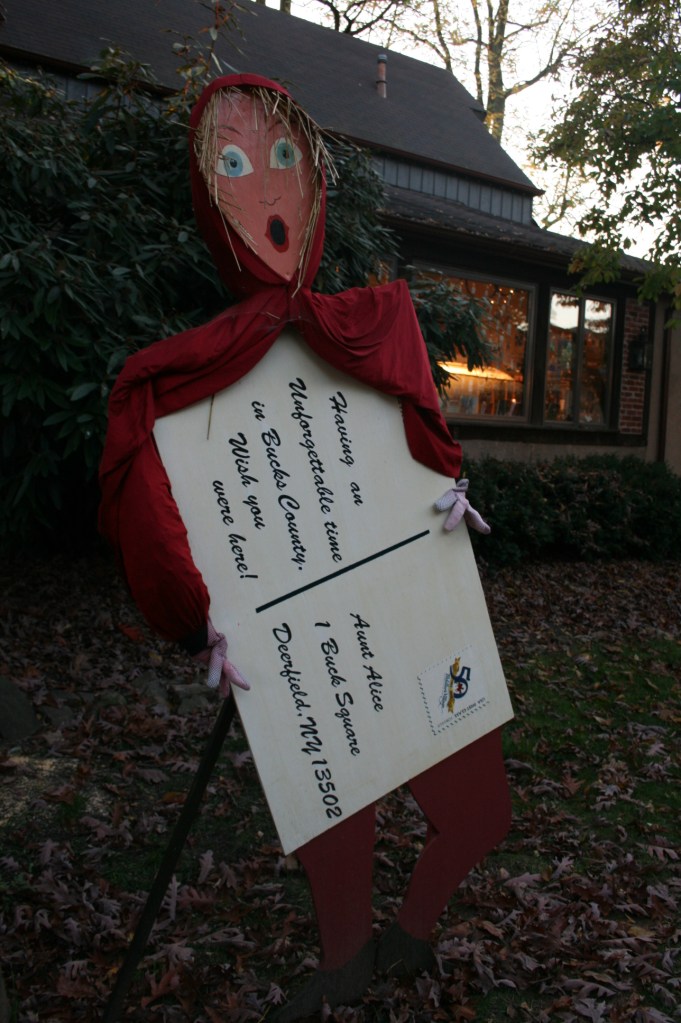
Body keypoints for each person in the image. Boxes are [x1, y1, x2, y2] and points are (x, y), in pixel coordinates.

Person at [99, 74, 511, 1021]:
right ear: (210, 194)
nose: (267, 190)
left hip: (406, 595)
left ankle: (412, 925)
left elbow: (424, 435)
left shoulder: (371, 327)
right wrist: (195, 610)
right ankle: (348, 954)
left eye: (283, 157)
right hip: (302, 639)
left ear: (314, 178)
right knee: (331, 778)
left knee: (477, 803)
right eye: (233, 164)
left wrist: (442, 487)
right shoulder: (180, 379)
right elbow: (149, 504)